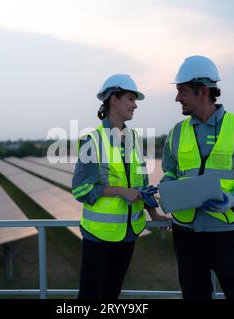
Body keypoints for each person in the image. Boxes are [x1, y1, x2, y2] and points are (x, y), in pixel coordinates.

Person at [161, 56, 234, 299]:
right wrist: (167, 191)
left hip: (228, 235)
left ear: (203, 91)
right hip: (185, 236)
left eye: (182, 91)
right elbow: (169, 172)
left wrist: (232, 199)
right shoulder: (176, 132)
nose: (177, 98)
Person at [72, 74, 169, 299]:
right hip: (99, 235)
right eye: (130, 99)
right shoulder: (93, 140)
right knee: (89, 297)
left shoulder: (134, 137)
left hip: (129, 234)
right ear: (113, 100)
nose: (135, 105)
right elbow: (80, 189)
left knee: (112, 294)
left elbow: (141, 183)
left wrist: (154, 213)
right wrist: (119, 191)